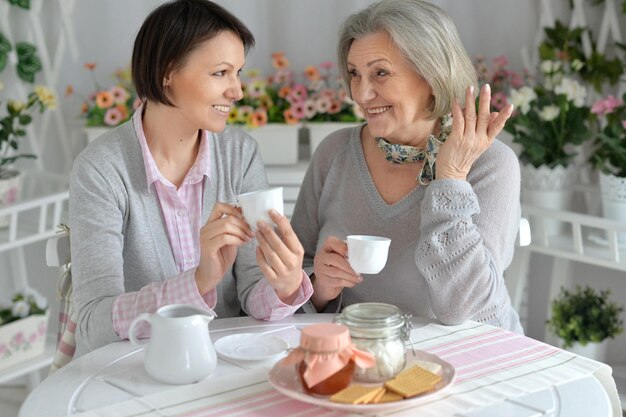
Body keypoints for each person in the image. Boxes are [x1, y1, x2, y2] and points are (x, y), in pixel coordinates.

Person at [69, 0, 311, 357]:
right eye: (220, 73)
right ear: (168, 71)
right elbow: (93, 322)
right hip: (136, 369)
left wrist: (285, 285)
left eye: (238, 72)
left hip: (226, 364)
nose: (238, 91)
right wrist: (198, 282)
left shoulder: (239, 155)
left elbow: (253, 295)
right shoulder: (101, 170)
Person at [291, 0, 523, 333]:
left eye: (380, 72)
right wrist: (320, 286)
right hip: (365, 350)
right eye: (355, 74)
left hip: (469, 356)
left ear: (431, 74)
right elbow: (295, 272)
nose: (362, 93)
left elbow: (462, 309)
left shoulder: (490, 164)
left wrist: (451, 179)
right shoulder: (336, 152)